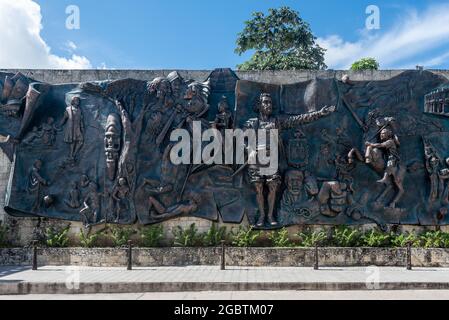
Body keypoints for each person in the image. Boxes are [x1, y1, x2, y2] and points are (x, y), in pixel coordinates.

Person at [244, 93, 336, 227]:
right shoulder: (252, 123)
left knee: (272, 187)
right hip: (257, 159)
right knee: (258, 188)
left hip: (272, 158)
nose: (268, 105)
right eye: (265, 102)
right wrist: (250, 149)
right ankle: (262, 216)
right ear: (259, 106)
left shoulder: (276, 121)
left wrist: (319, 113)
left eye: (270, 102)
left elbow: (298, 119)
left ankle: (270, 216)